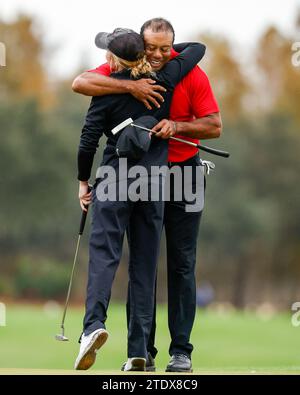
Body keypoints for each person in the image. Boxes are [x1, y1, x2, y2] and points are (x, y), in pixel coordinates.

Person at [73, 18, 222, 373]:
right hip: (150, 174)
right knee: (146, 261)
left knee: (181, 263)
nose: (157, 54)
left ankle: (179, 351)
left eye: (164, 48)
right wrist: (130, 89)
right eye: (150, 47)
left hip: (183, 172)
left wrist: (178, 125)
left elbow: (215, 125)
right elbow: (80, 82)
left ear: (172, 47)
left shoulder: (188, 73)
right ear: (139, 46)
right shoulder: (122, 71)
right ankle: (143, 351)